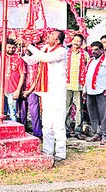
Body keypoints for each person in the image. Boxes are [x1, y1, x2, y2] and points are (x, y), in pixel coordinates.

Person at [29, 29, 67, 161]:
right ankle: (47, 150)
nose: (48, 36)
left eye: (52, 35)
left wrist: (29, 45)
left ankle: (61, 153)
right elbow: (32, 60)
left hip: (56, 91)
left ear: (57, 40)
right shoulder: (45, 48)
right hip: (46, 91)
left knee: (58, 124)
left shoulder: (61, 51)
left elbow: (44, 58)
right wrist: (22, 50)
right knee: (46, 122)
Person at [79, 41, 106, 145]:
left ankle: (105, 135)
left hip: (102, 91)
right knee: (92, 114)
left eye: (96, 50)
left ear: (101, 50)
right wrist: (85, 90)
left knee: (103, 115)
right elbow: (87, 77)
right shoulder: (91, 61)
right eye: (92, 49)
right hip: (90, 91)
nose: (93, 51)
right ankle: (96, 133)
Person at [65, 33, 88, 138]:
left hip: (79, 85)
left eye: (79, 41)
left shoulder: (85, 54)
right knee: (66, 107)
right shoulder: (66, 53)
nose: (76, 43)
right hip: (67, 85)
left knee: (79, 109)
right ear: (72, 40)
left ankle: (78, 131)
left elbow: (88, 69)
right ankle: (66, 130)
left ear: (82, 43)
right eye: (75, 40)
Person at [19, 43, 42, 138]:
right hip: (21, 90)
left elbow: (37, 78)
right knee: (21, 113)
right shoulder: (20, 59)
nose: (26, 49)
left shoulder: (37, 62)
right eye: (24, 47)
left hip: (32, 90)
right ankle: (21, 133)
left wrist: (29, 91)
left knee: (34, 113)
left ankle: (37, 134)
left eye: (28, 47)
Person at [2, 39, 25, 123]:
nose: (11, 49)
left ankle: (13, 132)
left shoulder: (19, 59)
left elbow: (22, 75)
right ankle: (3, 132)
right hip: (2, 90)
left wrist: (18, 90)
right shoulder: (1, 58)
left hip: (13, 90)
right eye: (9, 47)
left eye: (13, 47)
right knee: (2, 113)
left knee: (13, 113)